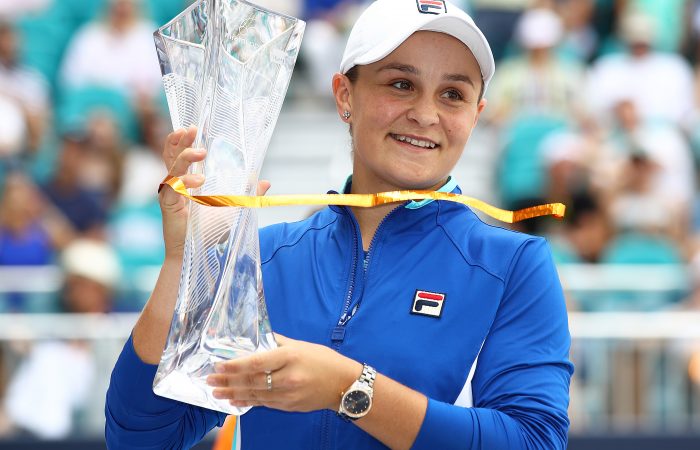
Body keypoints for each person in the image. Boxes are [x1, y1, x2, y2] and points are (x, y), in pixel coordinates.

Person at [105, 1, 573, 449]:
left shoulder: (513, 265)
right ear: (344, 95)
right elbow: (139, 439)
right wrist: (182, 262)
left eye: (453, 95)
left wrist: (349, 388)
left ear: (476, 115)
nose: (426, 114)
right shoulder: (265, 258)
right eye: (401, 84)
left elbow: (533, 441)